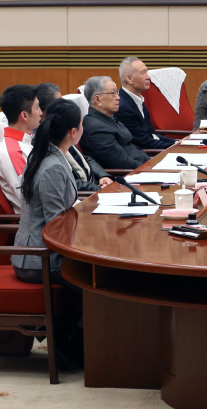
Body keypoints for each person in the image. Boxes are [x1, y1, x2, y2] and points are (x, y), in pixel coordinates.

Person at [12, 98, 84, 369]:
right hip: (38, 258)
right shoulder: (53, 165)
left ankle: (73, 337)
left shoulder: (50, 155)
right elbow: (56, 227)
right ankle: (72, 343)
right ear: (73, 132)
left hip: (45, 251)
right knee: (99, 282)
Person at [35, 83, 112, 192]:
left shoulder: (64, 130)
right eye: (61, 103)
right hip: (82, 194)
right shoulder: (44, 139)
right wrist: (98, 189)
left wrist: (102, 175)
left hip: (91, 187)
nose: (65, 105)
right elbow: (65, 181)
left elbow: (84, 158)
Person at [80, 76, 149, 170]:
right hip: (130, 173)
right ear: (97, 100)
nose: (118, 97)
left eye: (117, 92)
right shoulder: (96, 128)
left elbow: (131, 148)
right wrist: (151, 168)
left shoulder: (108, 117)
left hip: (141, 165)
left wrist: (151, 162)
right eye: (113, 93)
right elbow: (122, 163)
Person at [116, 57, 175, 150]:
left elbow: (152, 135)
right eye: (143, 72)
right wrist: (177, 146)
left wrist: (178, 142)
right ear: (129, 78)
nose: (148, 77)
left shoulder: (138, 100)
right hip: (145, 155)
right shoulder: (122, 107)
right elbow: (144, 143)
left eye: (146, 72)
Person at [0, 85, 42, 212]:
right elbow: (29, 199)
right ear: (24, 115)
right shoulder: (13, 151)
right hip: (37, 220)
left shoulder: (26, 141)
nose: (41, 112)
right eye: (37, 107)